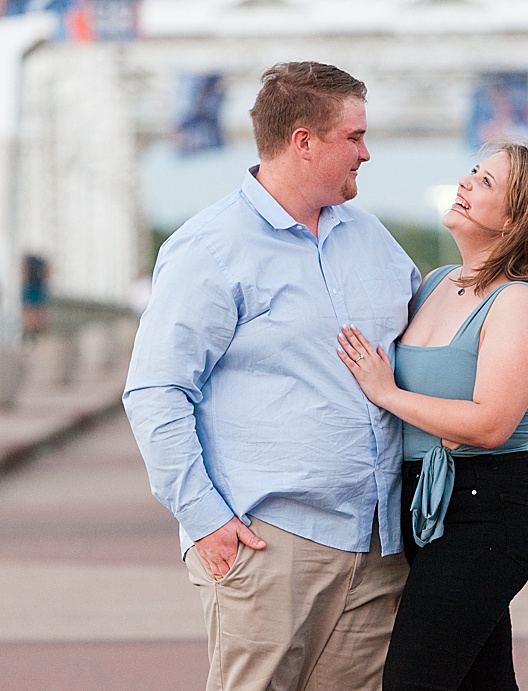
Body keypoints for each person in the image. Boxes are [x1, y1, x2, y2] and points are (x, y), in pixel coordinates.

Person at [123, 61, 420, 691]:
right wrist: (204, 519)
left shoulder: (373, 240)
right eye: (354, 137)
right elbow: (156, 391)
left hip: (378, 541)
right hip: (267, 544)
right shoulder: (209, 248)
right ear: (303, 141)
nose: (367, 153)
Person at [337, 141, 528, 690]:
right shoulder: (438, 282)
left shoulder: (519, 302)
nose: (466, 183)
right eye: (473, 171)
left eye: (487, 183)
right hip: (425, 507)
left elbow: (492, 424)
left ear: (517, 220)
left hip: (485, 515)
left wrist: (387, 393)